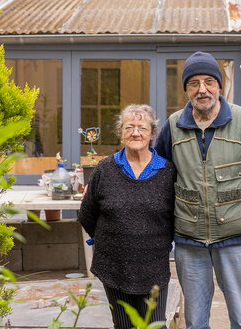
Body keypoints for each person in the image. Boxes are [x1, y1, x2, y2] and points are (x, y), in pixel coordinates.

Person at [155, 51, 241, 329]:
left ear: (219, 86)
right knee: (195, 322)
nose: (202, 89)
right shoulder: (173, 126)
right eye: (194, 83)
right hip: (189, 240)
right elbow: (154, 175)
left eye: (209, 81)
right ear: (186, 89)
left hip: (236, 238)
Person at [78, 104, 175, 329]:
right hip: (115, 266)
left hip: (154, 268)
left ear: (152, 133)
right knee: (123, 326)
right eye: (129, 127)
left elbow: (176, 217)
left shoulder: (167, 172)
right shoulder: (105, 169)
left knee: (156, 326)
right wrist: (111, 240)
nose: (135, 133)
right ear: (121, 132)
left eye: (142, 127)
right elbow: (87, 213)